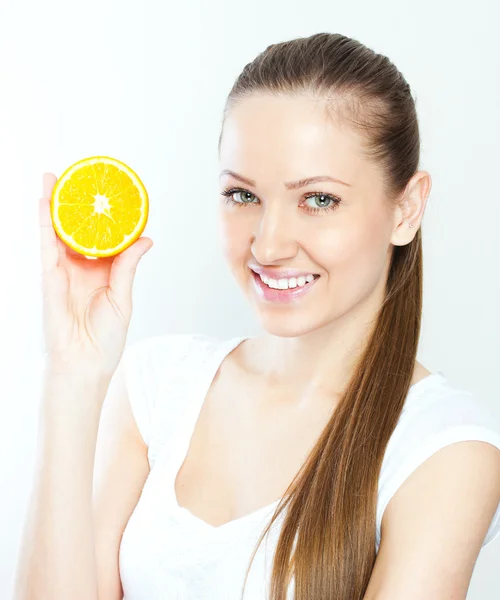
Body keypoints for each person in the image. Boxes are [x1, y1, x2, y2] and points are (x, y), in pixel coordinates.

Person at [13, 32, 500, 600]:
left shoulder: (443, 448)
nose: (268, 246)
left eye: (318, 199)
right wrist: (72, 377)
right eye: (243, 196)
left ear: (407, 208)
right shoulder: (158, 386)